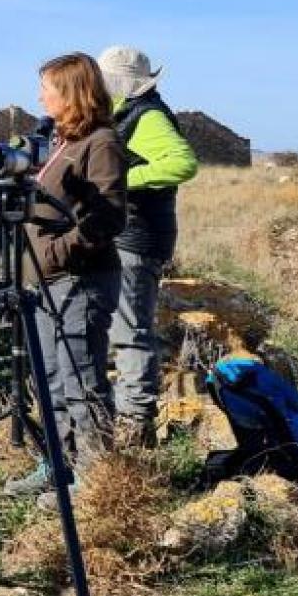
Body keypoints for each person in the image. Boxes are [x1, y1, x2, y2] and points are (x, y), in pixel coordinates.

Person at [7, 52, 128, 503]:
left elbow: (109, 216)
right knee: (51, 379)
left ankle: (95, 480)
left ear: (72, 93)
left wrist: (58, 251)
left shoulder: (101, 143)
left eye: (48, 88)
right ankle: (57, 464)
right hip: (47, 280)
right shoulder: (60, 142)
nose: (40, 96)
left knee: (82, 378)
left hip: (81, 279)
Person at [99, 46, 198, 449]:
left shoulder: (148, 115)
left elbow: (182, 162)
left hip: (137, 240)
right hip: (128, 235)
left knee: (131, 331)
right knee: (122, 328)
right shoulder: (128, 112)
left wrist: (121, 181)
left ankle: (134, 426)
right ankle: (126, 414)